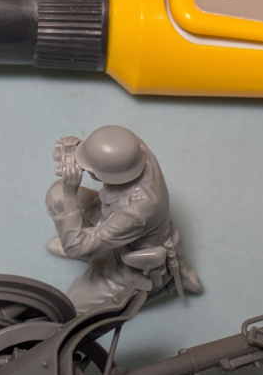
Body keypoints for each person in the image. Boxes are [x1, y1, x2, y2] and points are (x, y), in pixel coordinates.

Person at [45, 125, 202, 314]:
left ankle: (166, 283)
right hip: (113, 217)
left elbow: (74, 248)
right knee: (58, 196)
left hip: (130, 263)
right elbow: (109, 154)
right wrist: (74, 150)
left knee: (69, 308)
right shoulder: (135, 149)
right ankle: (83, 242)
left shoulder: (139, 209)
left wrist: (71, 194)